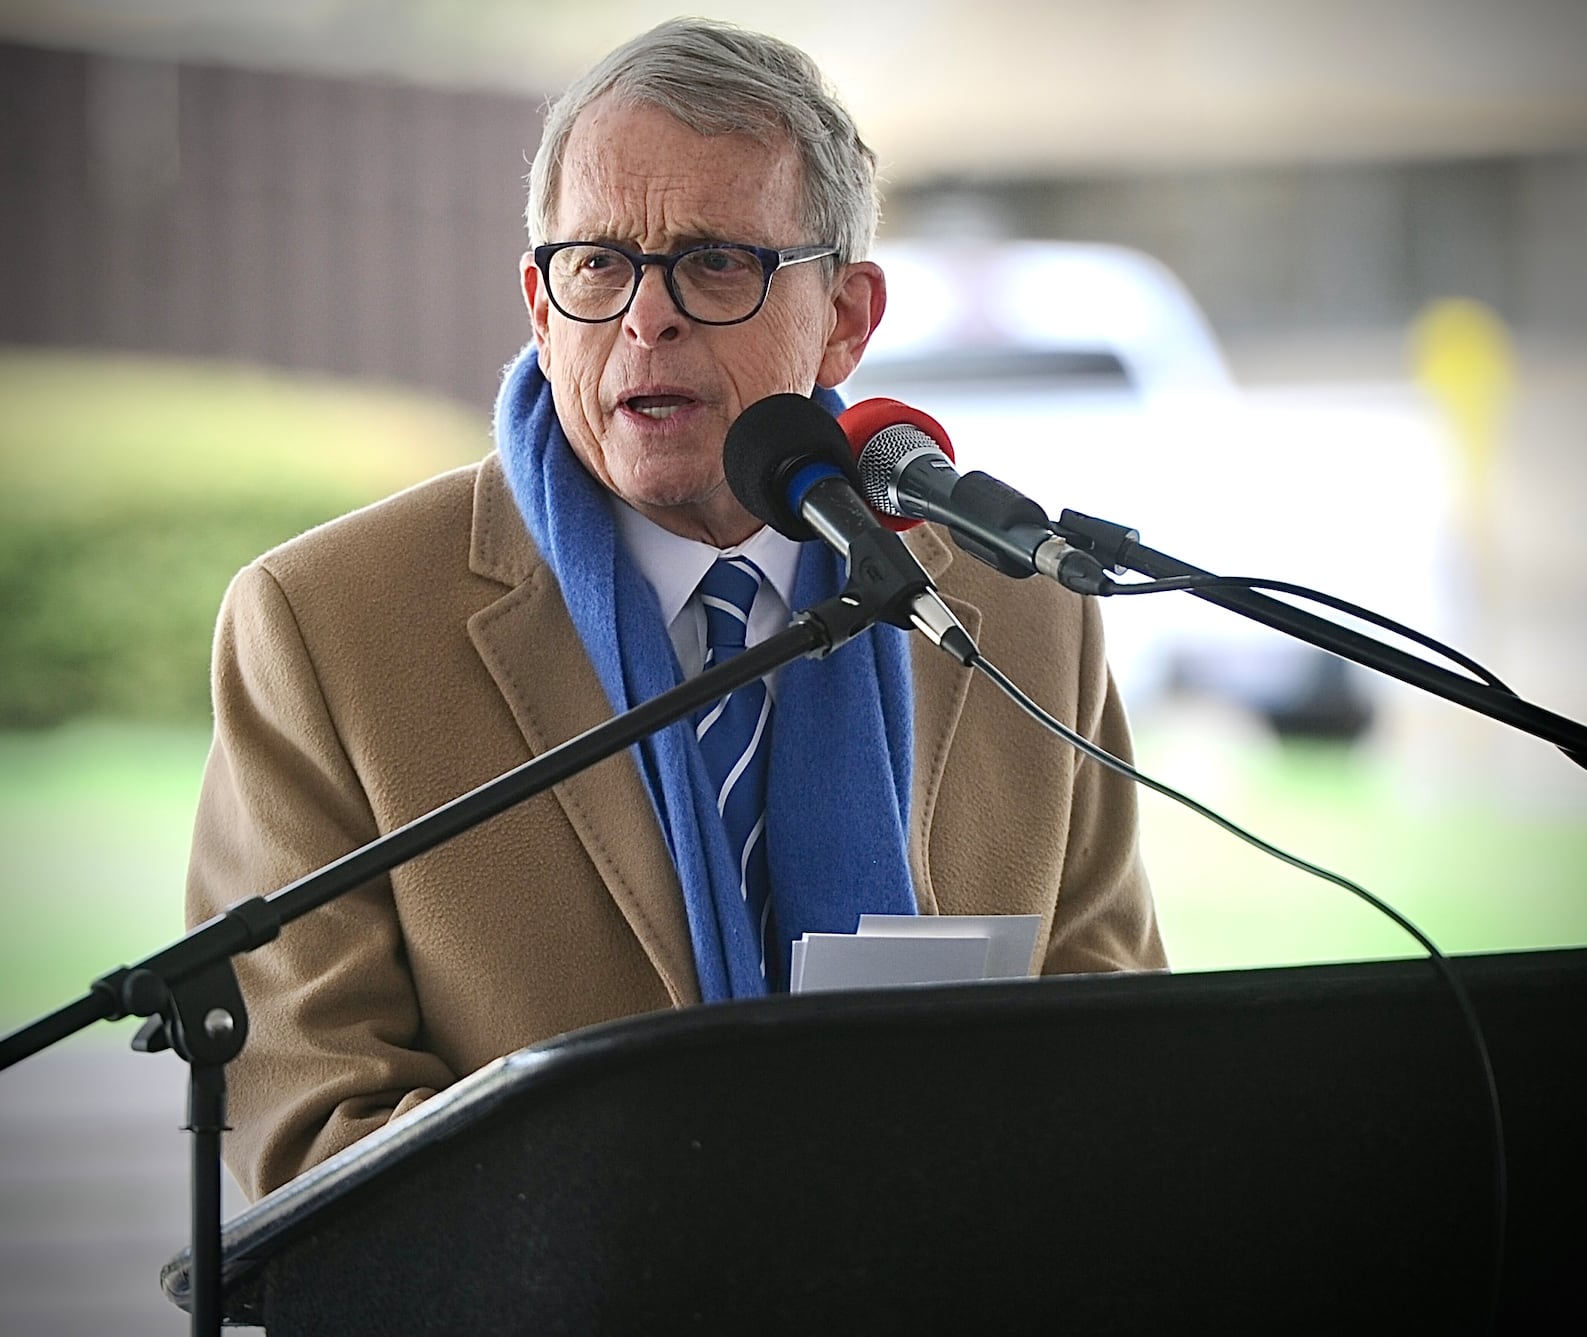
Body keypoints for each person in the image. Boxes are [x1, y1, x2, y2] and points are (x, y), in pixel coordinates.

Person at [186, 17, 1165, 1201]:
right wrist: (701, 1246)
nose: (646, 319)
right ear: (541, 309)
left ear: (846, 315)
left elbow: (1115, 1051)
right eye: (598, 263)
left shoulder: (1022, 612)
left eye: (714, 261)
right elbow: (313, 1123)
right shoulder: (324, 627)